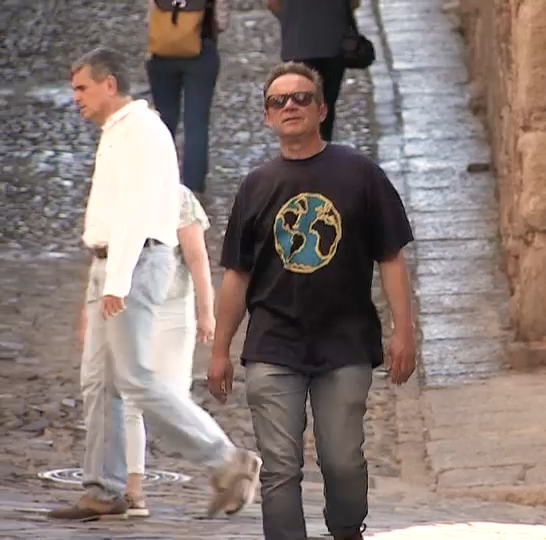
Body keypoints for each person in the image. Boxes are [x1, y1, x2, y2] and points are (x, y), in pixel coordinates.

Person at [207, 61, 417, 540]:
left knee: (342, 460)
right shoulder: (256, 186)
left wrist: (403, 332)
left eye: (301, 98)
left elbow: (391, 258)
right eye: (279, 101)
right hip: (272, 345)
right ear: (267, 117)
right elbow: (236, 275)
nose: (290, 106)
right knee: (280, 470)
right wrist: (220, 350)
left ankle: (347, 530)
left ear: (322, 109)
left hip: (345, 344)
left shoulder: (360, 174)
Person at [49, 46, 260, 522]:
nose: (76, 97)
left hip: (136, 263)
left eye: (82, 87)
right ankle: (104, 489)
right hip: (114, 263)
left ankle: (228, 460)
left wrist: (116, 282)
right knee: (99, 381)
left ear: (109, 84)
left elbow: (137, 212)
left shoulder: (141, 132)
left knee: (137, 378)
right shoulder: (117, 133)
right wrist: (101, 276)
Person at [122, 184, 217, 517]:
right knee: (128, 399)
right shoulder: (118, 191)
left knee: (174, 401)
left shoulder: (177, 196)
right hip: (126, 306)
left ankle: (228, 466)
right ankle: (133, 492)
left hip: (172, 307)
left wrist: (207, 311)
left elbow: (196, 256)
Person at [145, 0, 228, 195]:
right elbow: (222, 21)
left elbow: (149, 17)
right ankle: (193, 188)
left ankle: (160, 180)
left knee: (164, 120)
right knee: (196, 123)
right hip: (200, 50)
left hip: (162, 52)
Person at [266, 0, 358, 141]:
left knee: (301, 100)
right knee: (327, 101)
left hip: (298, 43)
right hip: (333, 41)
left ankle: (305, 144)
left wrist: (291, 18)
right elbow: (354, 3)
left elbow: (273, 3)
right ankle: (323, 143)